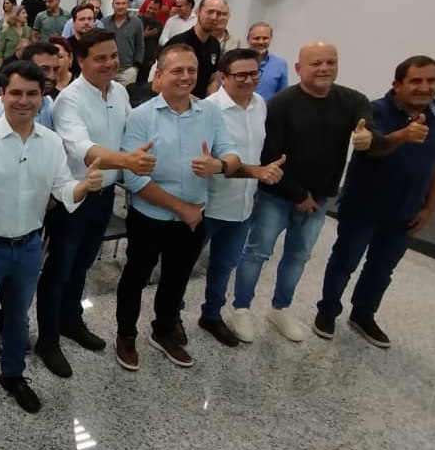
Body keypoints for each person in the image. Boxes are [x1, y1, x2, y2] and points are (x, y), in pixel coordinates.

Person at [0, 61, 103, 423]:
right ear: (2, 95)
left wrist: (84, 186)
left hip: (29, 247)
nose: (24, 100)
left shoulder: (50, 142)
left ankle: (13, 375)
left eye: (32, 94)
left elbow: (63, 189)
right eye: (16, 93)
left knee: (18, 319)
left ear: (42, 96)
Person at [233, 41, 382, 343]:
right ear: (299, 69)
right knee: (257, 252)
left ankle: (280, 308)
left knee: (298, 256)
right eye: (316, 63)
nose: (324, 68)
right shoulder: (281, 104)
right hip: (278, 195)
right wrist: (300, 196)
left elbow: (366, 117)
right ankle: (241, 308)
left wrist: (368, 133)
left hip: (319, 198)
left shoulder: (351, 100)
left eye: (331, 62)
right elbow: (270, 155)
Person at [35, 30, 158, 377]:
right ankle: (47, 340)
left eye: (113, 56)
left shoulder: (119, 92)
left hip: (104, 196)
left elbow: (131, 133)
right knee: (59, 270)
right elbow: (83, 149)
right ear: (81, 61)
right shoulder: (69, 100)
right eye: (100, 58)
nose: (109, 63)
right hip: (73, 198)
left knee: (82, 266)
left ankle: (71, 320)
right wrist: (126, 161)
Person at [114, 43, 242, 370]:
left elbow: (231, 153)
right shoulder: (142, 116)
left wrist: (220, 165)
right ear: (159, 75)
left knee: (177, 278)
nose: (186, 77)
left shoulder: (209, 113)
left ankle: (163, 331)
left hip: (194, 217)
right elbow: (134, 178)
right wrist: (181, 208)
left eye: (191, 70)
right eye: (177, 70)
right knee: (136, 276)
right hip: (151, 216)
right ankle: (126, 334)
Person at [315, 55, 435, 347]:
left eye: (431, 81)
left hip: (406, 211)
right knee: (345, 261)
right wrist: (403, 135)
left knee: (382, 267)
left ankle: (363, 314)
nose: (424, 87)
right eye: (415, 81)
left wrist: (429, 208)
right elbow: (373, 149)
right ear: (397, 84)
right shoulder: (373, 111)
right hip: (363, 206)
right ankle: (327, 311)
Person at [196, 49, 286, 346]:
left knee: (224, 266)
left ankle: (211, 315)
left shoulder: (260, 105)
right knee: (183, 266)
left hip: (244, 205)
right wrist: (256, 172)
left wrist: (262, 173)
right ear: (223, 77)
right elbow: (208, 163)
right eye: (241, 75)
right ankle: (171, 319)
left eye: (254, 73)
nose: (249, 80)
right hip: (209, 203)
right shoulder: (208, 110)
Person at [166, 0, 227, 98]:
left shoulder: (215, 45)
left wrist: (211, 102)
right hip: (176, 102)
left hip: (201, 103)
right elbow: (162, 80)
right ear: (198, 12)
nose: (214, 17)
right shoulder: (178, 43)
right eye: (210, 12)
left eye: (219, 14)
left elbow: (212, 79)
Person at [101, 0, 144, 84]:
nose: (120, 6)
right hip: (107, 69)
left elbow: (140, 45)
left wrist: (136, 66)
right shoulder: (104, 22)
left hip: (127, 70)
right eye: (117, 3)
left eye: (123, 3)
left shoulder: (136, 23)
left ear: (128, 5)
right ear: (112, 5)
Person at [246, 22, 289, 100]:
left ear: (270, 39)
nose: (261, 42)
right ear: (248, 39)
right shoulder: (235, 61)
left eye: (265, 38)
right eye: (256, 38)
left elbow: (282, 96)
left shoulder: (280, 64)